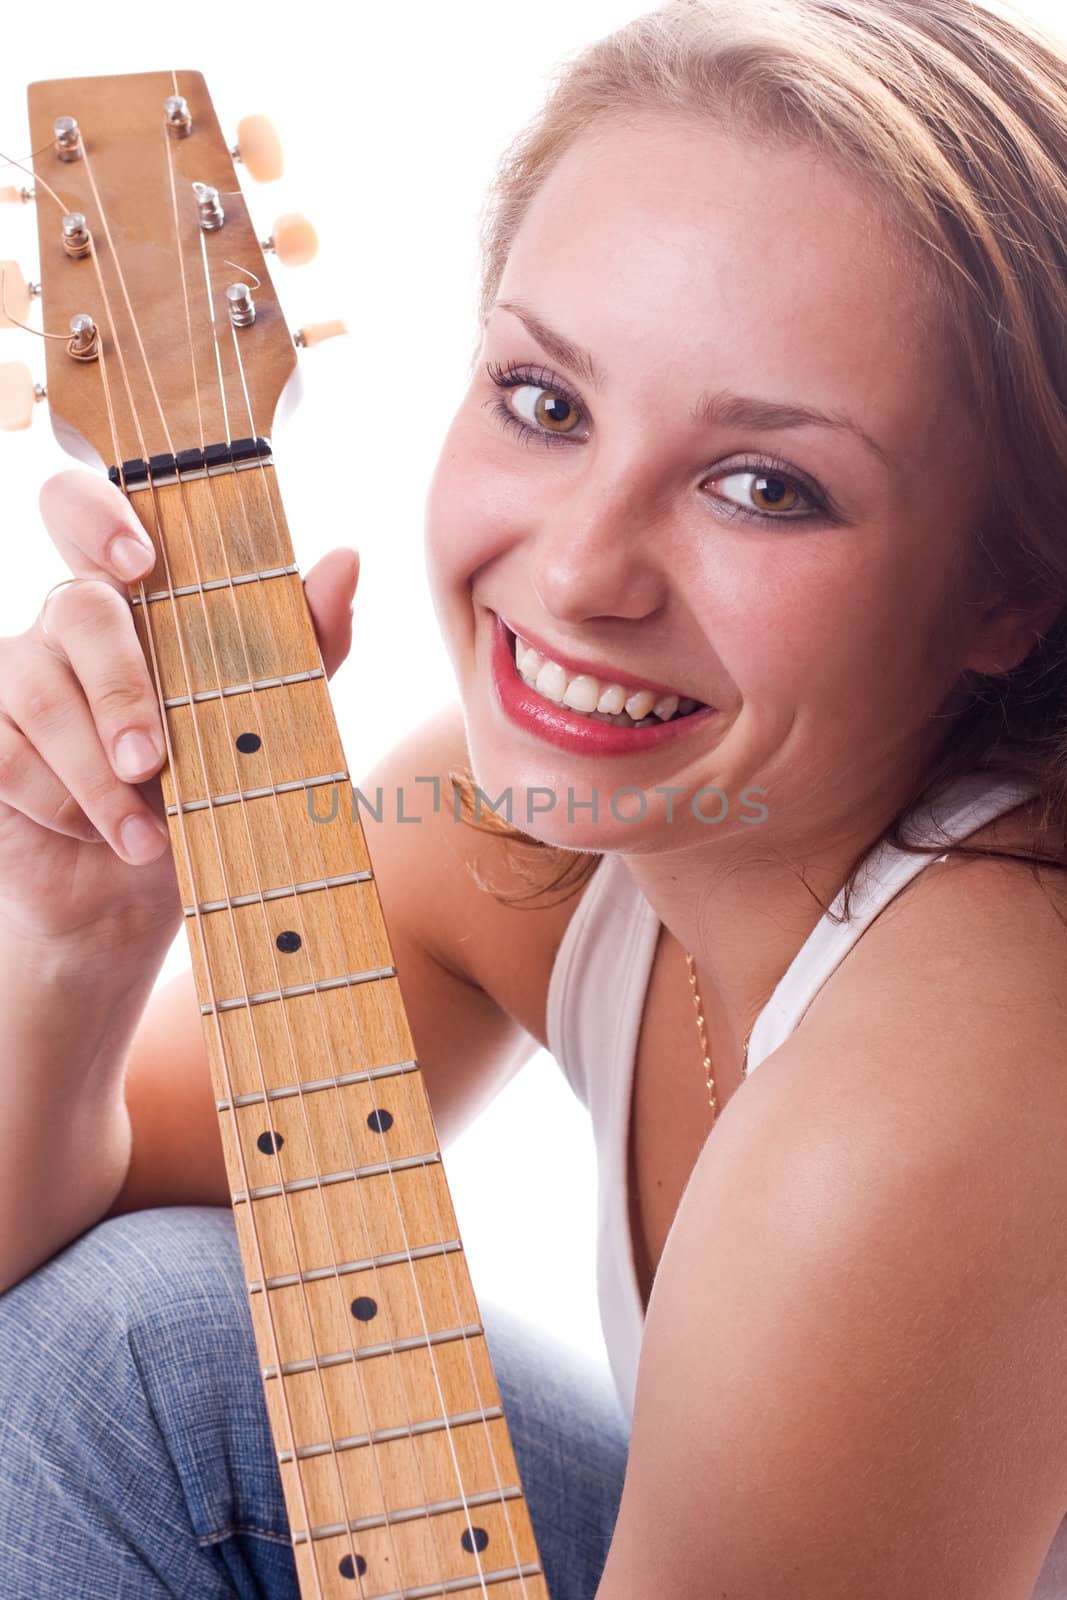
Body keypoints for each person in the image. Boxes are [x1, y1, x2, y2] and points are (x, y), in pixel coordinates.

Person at [3, 0, 1067, 1593]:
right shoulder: (512, 834)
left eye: (765, 486)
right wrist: (69, 951)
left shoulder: (967, 1071)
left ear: (1008, 590)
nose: (577, 574)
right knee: (128, 1341)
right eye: (546, 402)